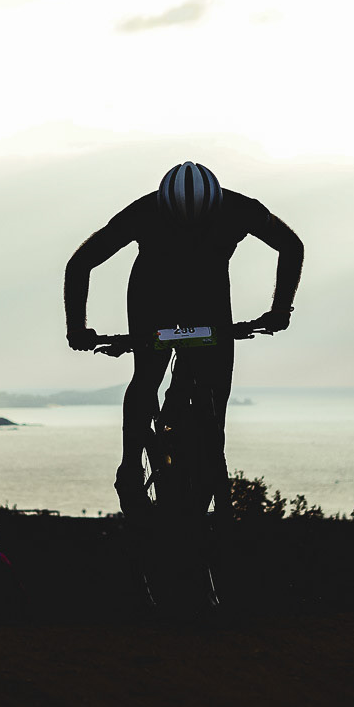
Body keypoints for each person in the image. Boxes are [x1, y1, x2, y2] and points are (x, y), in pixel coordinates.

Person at [64, 161, 304, 519]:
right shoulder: (144, 211)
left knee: (214, 401)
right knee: (147, 377)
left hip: (208, 303)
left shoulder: (241, 208)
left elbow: (291, 246)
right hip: (153, 299)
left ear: (217, 205)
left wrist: (282, 308)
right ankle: (130, 467)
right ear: (163, 207)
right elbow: (81, 263)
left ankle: (203, 460)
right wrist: (77, 328)